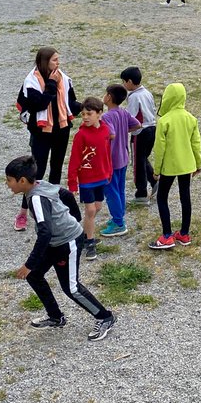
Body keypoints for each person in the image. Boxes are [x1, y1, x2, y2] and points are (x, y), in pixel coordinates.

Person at [4, 155, 116, 341]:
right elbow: (64, 193)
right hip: (56, 241)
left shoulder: (36, 199)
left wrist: (29, 263)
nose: (7, 184)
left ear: (22, 181)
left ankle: (105, 317)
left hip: (67, 243)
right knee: (34, 275)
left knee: (71, 288)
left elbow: (44, 233)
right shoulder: (39, 184)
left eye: (9, 180)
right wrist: (74, 216)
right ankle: (56, 317)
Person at [14, 47, 81, 231]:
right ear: (44, 62)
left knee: (57, 168)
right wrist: (51, 84)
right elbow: (41, 103)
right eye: (54, 60)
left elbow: (70, 103)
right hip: (41, 131)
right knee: (36, 171)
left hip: (61, 129)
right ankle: (23, 211)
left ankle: (52, 204)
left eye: (58, 60)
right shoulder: (31, 82)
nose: (57, 63)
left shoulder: (64, 79)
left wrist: (83, 107)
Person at [148, 83, 201, 250]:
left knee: (162, 197)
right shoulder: (191, 118)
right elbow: (196, 143)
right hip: (187, 165)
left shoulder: (164, 121)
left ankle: (166, 236)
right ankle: (184, 233)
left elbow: (160, 148)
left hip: (169, 166)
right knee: (185, 196)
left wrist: (157, 170)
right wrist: (198, 164)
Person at [66, 97, 114, 261]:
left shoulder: (106, 131)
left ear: (99, 114)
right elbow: (74, 160)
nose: (85, 117)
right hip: (86, 179)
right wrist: (73, 183)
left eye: (89, 114)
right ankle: (90, 243)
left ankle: (86, 235)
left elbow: (106, 154)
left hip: (101, 177)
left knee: (98, 207)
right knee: (91, 210)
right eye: (83, 114)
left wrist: (109, 172)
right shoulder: (81, 135)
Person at [100, 85, 142, 238]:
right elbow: (137, 124)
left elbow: (110, 134)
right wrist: (124, 131)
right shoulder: (123, 112)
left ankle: (118, 223)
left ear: (109, 97)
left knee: (111, 192)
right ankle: (119, 217)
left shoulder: (106, 117)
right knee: (120, 189)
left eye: (106, 94)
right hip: (123, 157)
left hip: (111, 160)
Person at [122, 67, 158, 206]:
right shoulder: (147, 92)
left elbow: (130, 117)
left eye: (124, 82)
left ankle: (141, 193)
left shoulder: (134, 97)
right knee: (143, 158)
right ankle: (155, 181)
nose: (124, 85)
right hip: (152, 128)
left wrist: (124, 129)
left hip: (140, 132)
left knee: (137, 162)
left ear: (130, 81)